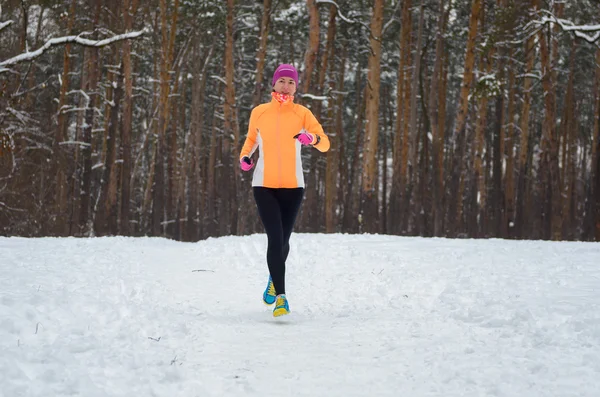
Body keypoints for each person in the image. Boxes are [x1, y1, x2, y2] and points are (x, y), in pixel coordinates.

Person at [239, 64, 330, 317]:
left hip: (293, 186)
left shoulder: (302, 114)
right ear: (274, 83)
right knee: (275, 238)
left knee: (284, 240)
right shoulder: (260, 112)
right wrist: (245, 157)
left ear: (296, 87)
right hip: (264, 185)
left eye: (291, 82)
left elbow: (325, 143)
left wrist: (312, 139)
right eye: (283, 81)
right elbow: (250, 140)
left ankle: (273, 277)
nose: (286, 86)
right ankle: (281, 297)